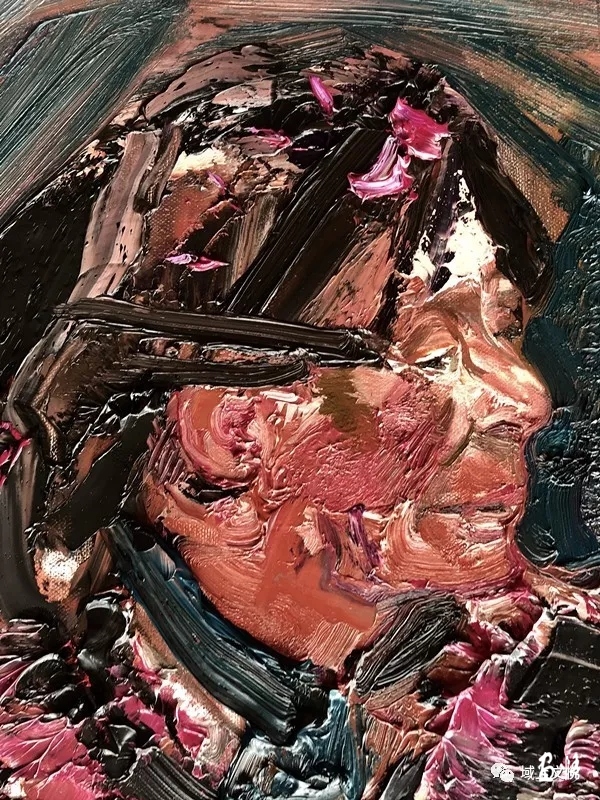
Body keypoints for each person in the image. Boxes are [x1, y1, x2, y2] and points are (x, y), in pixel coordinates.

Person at [1, 41, 599, 800]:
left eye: (506, 328)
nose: (529, 396)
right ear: (234, 432)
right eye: (432, 355)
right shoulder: (51, 751)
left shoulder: (569, 682)